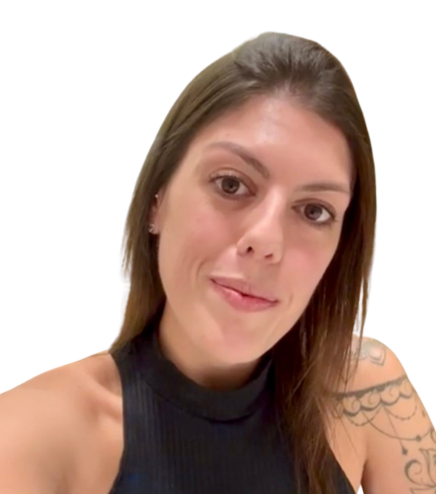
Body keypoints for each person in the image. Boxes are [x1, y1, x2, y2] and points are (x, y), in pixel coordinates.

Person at [0, 31, 433, 494]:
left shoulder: (367, 394)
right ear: (156, 201)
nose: (266, 241)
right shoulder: (32, 436)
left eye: (314, 211)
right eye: (231, 184)